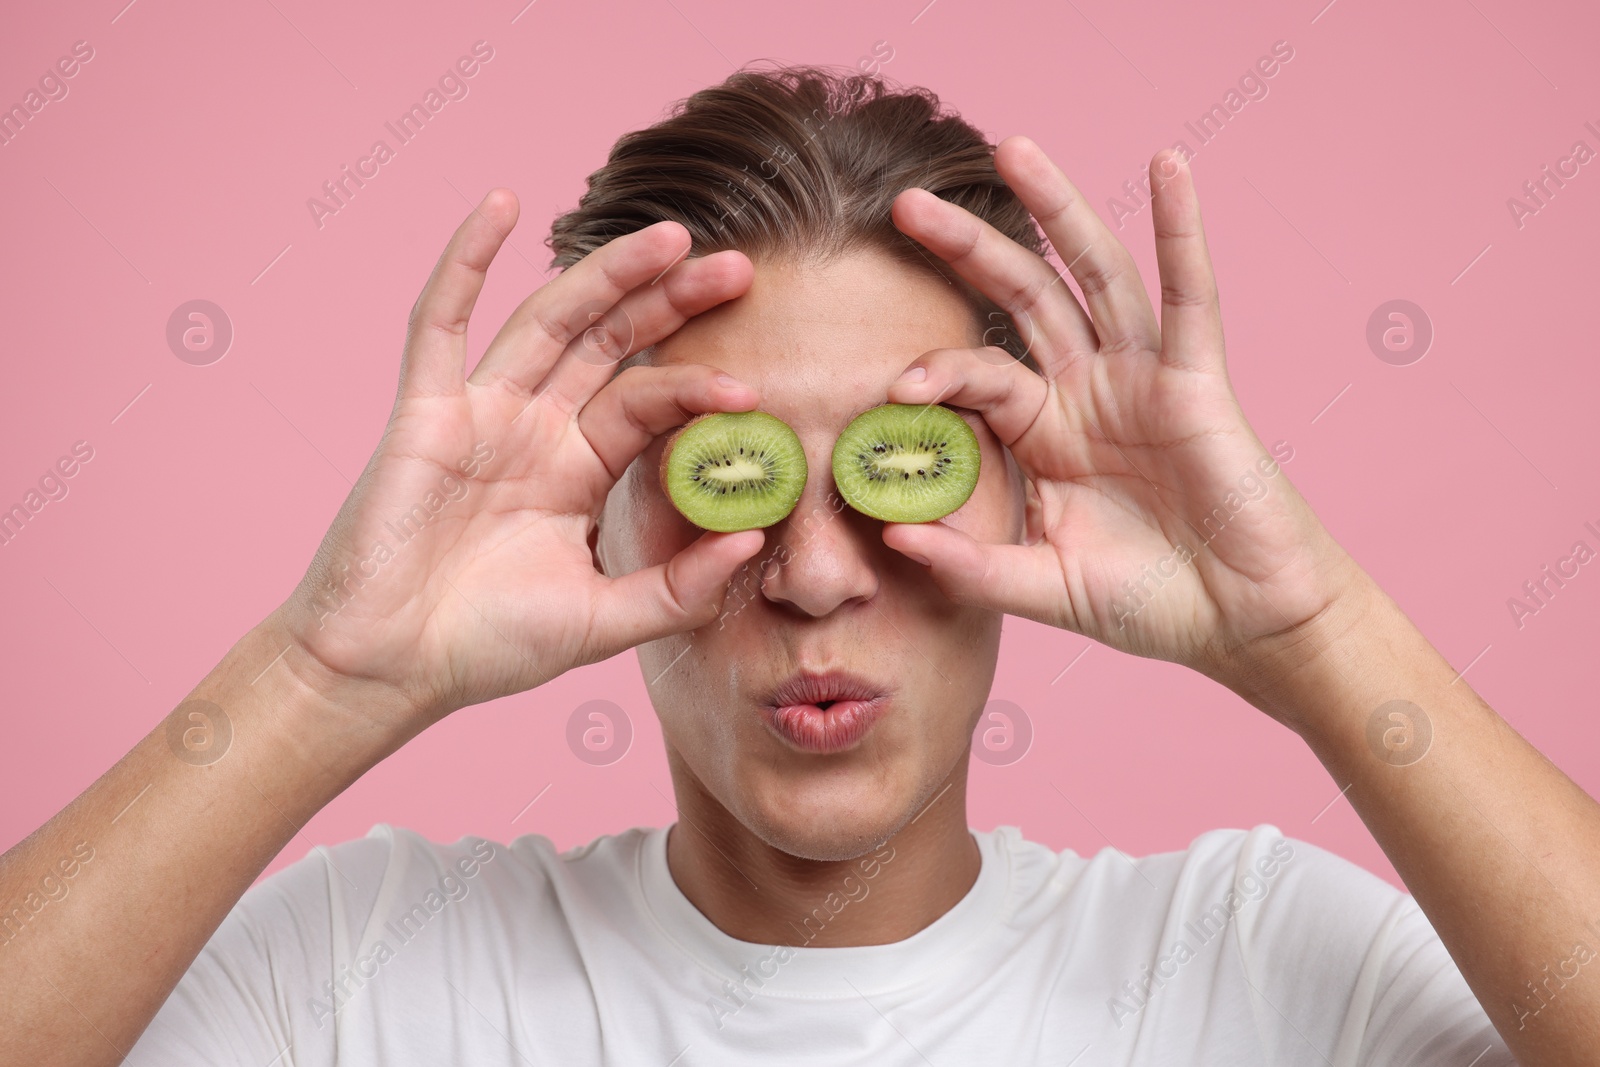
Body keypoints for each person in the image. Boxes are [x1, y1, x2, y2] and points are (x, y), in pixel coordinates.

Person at [2, 66, 1595, 1067]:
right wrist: (315, 679)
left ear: (1034, 495)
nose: (819, 576)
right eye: (729, 478)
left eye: (907, 467)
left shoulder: (1254, 966)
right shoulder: (366, 972)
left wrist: (1312, 628)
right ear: (602, 514)